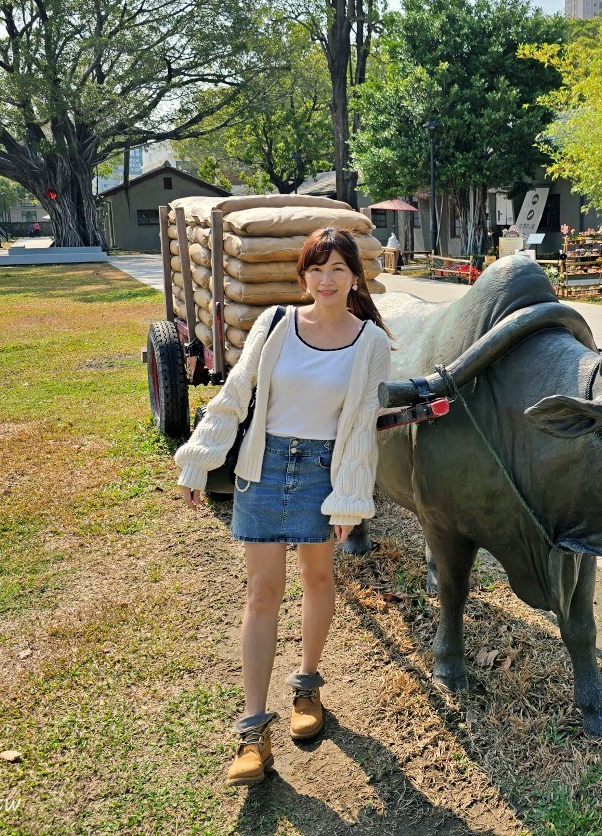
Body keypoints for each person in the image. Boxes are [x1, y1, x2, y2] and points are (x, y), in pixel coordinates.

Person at [173, 227, 393, 787]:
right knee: (262, 592)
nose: (326, 280)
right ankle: (252, 733)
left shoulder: (370, 342)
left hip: (322, 471)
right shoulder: (274, 324)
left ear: (354, 278)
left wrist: (348, 497)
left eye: (339, 269)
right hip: (263, 469)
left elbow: (362, 425)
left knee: (319, 580)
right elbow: (237, 392)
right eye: (317, 269)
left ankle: (307, 686)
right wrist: (200, 458)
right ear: (304, 275)